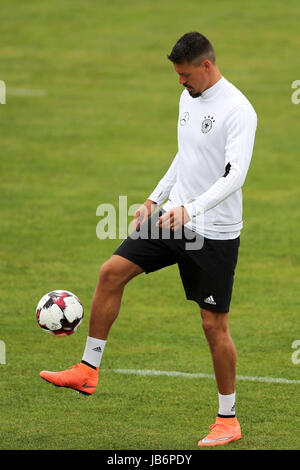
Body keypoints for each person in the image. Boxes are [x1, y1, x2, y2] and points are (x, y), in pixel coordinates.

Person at [40, 32, 257, 447]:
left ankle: (228, 418)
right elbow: (185, 153)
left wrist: (190, 209)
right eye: (177, 75)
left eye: (185, 74)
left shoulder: (238, 111)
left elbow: (236, 175)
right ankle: (88, 370)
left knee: (213, 324)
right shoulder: (188, 98)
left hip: (211, 231)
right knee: (111, 273)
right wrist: (154, 199)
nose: (180, 82)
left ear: (206, 66)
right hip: (173, 217)